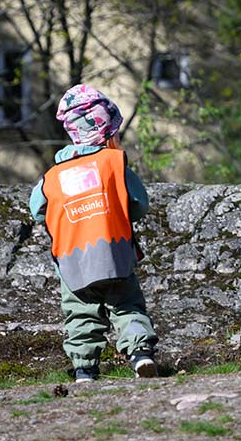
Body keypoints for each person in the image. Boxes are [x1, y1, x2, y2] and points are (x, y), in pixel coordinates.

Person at [29, 84, 159, 382]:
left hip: (72, 260)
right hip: (114, 253)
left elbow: (37, 209)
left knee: (81, 314)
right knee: (126, 306)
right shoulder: (114, 164)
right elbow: (139, 205)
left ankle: (84, 369)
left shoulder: (53, 175)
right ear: (107, 130)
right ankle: (140, 355)